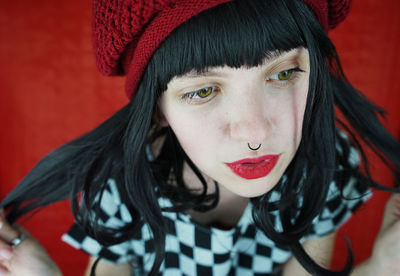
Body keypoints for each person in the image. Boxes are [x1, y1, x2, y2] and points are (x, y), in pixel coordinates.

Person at [0, 0, 399, 275]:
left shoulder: (322, 168)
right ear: (157, 109)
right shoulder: (121, 183)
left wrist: (380, 268)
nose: (255, 132)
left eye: (282, 73)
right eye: (203, 90)